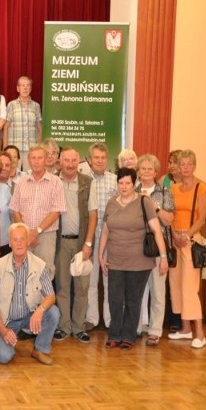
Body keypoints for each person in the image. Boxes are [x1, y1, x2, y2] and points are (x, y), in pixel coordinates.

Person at [98, 168, 168, 350]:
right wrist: (100, 254)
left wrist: (163, 257)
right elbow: (105, 231)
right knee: (114, 299)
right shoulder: (112, 203)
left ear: (134, 184)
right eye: (121, 183)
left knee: (132, 300)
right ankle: (114, 335)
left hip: (139, 262)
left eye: (128, 183)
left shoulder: (144, 202)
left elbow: (157, 231)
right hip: (115, 260)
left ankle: (128, 336)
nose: (124, 186)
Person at [0, 223, 60, 365]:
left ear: (28, 242)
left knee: (53, 313)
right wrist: (2, 329)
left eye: (22, 239)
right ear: (10, 243)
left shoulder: (39, 264)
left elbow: (51, 296)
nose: (19, 243)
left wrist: (39, 311)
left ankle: (40, 349)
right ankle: (6, 339)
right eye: (15, 240)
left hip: (29, 317)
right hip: (7, 322)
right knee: (4, 357)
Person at [53, 148, 98, 344]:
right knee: (62, 287)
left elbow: (93, 215)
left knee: (82, 287)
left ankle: (79, 327)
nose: (70, 164)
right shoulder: (53, 181)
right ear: (60, 161)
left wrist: (88, 243)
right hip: (59, 242)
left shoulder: (88, 183)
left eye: (73, 160)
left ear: (78, 161)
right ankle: (64, 327)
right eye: (66, 160)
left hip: (82, 243)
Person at [167, 150, 206, 349]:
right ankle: (185, 329)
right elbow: (170, 215)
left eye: (188, 164)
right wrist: (175, 235)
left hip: (192, 240)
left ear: (194, 166)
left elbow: (201, 217)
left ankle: (200, 334)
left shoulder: (201, 188)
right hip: (176, 240)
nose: (184, 167)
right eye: (181, 164)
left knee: (190, 287)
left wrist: (187, 235)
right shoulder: (174, 189)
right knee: (176, 284)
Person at [135, 154, 174, 346]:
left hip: (158, 248)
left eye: (150, 169)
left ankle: (155, 330)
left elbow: (168, 220)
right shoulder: (131, 191)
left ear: (156, 172)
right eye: (143, 169)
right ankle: (138, 326)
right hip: (137, 248)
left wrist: (153, 206)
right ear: (138, 171)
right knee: (138, 291)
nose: (147, 172)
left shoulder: (165, 192)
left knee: (158, 292)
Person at [10, 144, 66, 275]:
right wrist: (27, 233)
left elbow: (56, 211)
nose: (36, 161)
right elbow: (15, 210)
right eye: (33, 158)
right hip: (23, 236)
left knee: (44, 272)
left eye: (40, 158)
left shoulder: (56, 182)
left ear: (46, 159)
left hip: (46, 236)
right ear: (28, 161)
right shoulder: (21, 183)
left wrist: (37, 231)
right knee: (23, 271)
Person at [84, 142, 118, 331]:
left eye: (103, 158)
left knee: (109, 281)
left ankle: (110, 319)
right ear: (89, 160)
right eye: (96, 157)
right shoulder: (84, 180)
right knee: (90, 282)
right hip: (91, 239)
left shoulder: (115, 181)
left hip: (111, 241)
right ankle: (92, 319)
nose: (99, 161)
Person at [4, 76, 42, 169]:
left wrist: (39, 147)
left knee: (29, 176)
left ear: (31, 88)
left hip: (31, 149)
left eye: (28, 85)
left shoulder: (36, 106)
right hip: (14, 149)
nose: (25, 88)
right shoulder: (11, 105)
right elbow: (6, 127)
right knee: (12, 175)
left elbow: (39, 128)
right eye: (23, 85)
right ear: (18, 88)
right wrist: (5, 149)